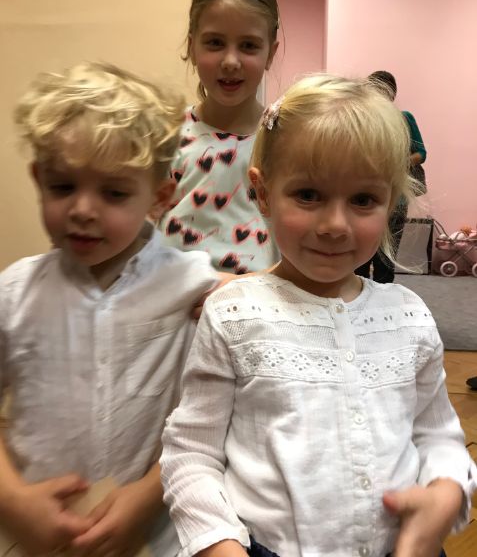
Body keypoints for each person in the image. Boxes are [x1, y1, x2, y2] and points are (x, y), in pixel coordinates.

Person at [160, 74, 476, 557]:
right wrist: (219, 544)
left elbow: (437, 437)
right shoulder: (234, 314)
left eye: (363, 200)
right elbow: (192, 453)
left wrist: (445, 494)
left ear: (390, 204)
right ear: (263, 193)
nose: (334, 225)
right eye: (308, 195)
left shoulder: (408, 316)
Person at [0, 62, 219, 556]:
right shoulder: (13, 294)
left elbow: (211, 420)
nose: (82, 209)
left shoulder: (193, 285)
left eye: (114, 192)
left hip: (155, 538)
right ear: (38, 179)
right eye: (62, 187)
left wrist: (149, 494)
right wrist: (12, 501)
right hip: (38, 539)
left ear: (159, 197)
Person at [160, 0, 280, 274]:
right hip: (176, 296)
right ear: (192, 47)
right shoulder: (165, 136)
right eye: (215, 43)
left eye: (248, 46)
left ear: (270, 53)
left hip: (259, 297)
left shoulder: (285, 140)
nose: (230, 61)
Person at [355, 70, 427, 283]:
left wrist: (394, 164)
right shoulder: (361, 121)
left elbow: (421, 153)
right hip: (363, 197)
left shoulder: (404, 119)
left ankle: (383, 300)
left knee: (386, 259)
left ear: (391, 93)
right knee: (359, 256)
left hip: (396, 198)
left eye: (381, 90)